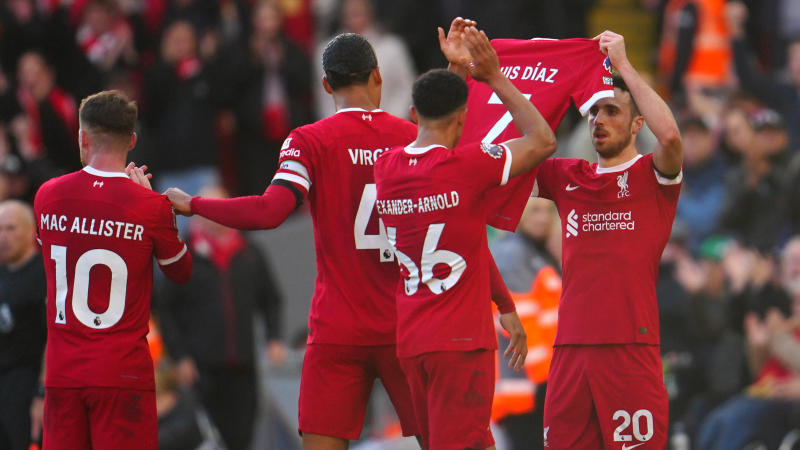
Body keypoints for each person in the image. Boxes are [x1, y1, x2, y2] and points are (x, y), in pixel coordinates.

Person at [162, 31, 427, 450]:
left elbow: (270, 211)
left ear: (325, 85)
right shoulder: (414, 138)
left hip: (339, 326)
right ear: (378, 76)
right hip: (407, 322)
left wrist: (195, 206)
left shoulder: (309, 140)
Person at [374, 26, 555, 449]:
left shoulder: (386, 167)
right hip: (460, 344)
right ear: (462, 118)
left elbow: (467, 243)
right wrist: (491, 76)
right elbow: (543, 139)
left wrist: (505, 304)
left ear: (414, 114)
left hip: (413, 342)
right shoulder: (469, 168)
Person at [535, 31, 683, 449]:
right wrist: (488, 77)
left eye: (612, 111)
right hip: (570, 349)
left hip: (629, 346)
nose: (599, 120)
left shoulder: (653, 176)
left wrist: (624, 64)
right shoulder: (567, 177)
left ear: (638, 124)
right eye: (594, 111)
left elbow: (671, 137)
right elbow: (508, 156)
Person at [33, 90, 192, 449]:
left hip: (63, 372)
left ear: (81, 136)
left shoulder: (47, 195)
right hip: (123, 372)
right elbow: (181, 272)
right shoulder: (151, 206)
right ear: (132, 140)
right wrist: (158, 211)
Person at [154, 185, 286, 450]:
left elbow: (271, 299)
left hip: (243, 362)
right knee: (209, 435)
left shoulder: (248, 252)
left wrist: (274, 338)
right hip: (202, 368)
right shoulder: (184, 253)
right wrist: (179, 356)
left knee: (244, 431)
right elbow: (165, 309)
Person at [0, 200, 46, 450]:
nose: (3, 237)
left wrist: (41, 393)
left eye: (10, 228)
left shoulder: (42, 275)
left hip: (25, 384)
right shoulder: (3, 272)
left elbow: (52, 339)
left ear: (31, 231)